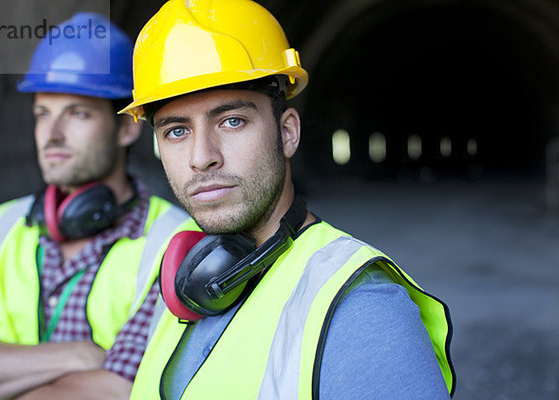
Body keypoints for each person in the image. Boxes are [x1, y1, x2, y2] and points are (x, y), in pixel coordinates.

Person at [120, 0, 456, 398]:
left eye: (232, 121)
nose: (201, 157)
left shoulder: (362, 311)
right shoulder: (188, 282)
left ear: (288, 133)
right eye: (176, 131)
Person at [0, 12, 196, 399]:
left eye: (77, 114)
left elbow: (118, 389)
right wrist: (76, 357)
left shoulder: (175, 242)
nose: (52, 135)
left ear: (127, 127)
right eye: (42, 114)